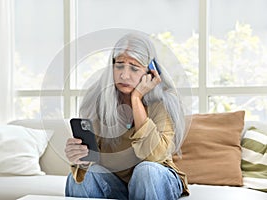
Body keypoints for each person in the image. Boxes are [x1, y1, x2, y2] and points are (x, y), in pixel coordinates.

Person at [64, 32, 189, 200]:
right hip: (116, 183)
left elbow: (154, 157)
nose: (124, 75)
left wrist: (136, 99)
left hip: (156, 179)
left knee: (146, 171)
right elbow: (95, 156)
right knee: (83, 177)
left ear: (151, 71)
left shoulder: (162, 102)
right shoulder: (97, 101)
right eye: (120, 65)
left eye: (134, 68)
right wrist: (81, 158)